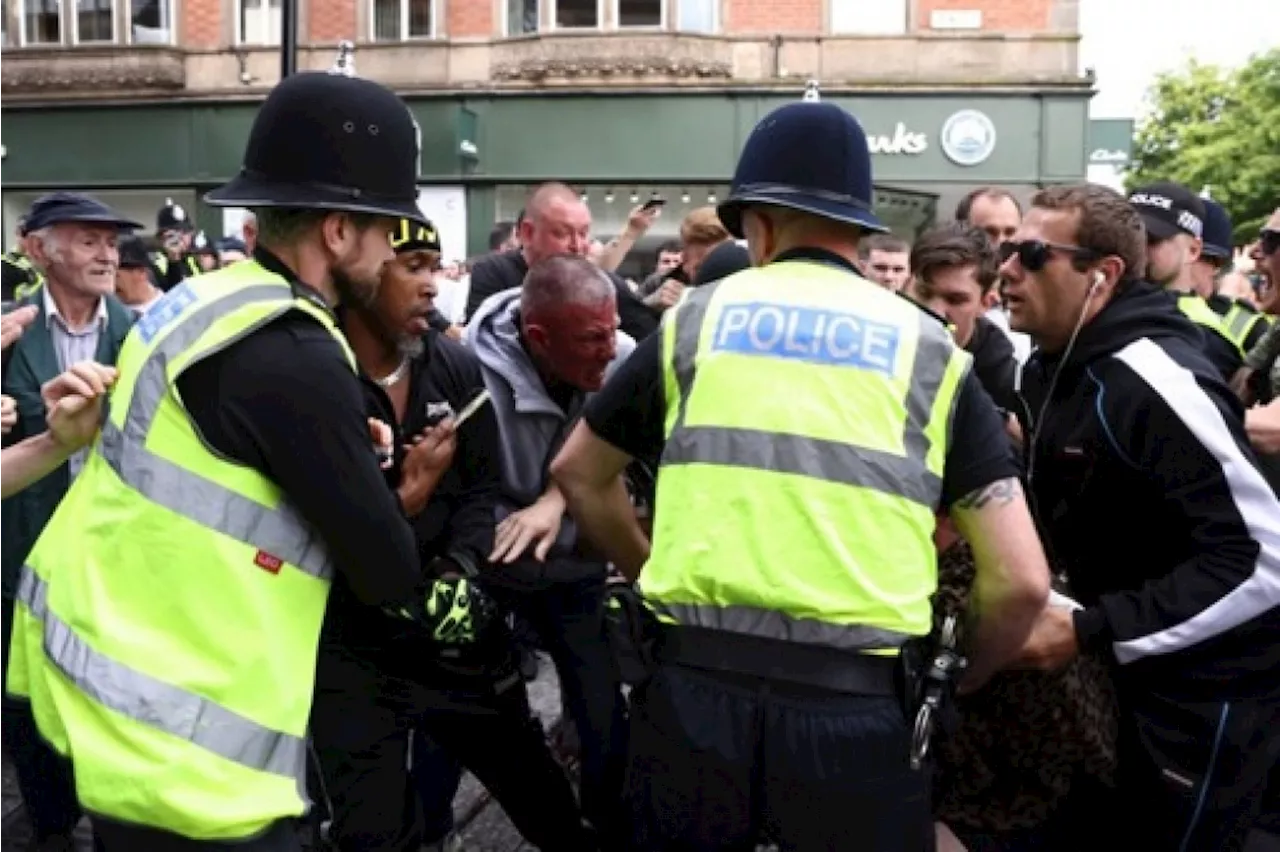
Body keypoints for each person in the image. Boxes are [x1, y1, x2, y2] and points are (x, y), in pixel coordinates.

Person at [549, 95, 1051, 851]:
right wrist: (962, 673)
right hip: (858, 719)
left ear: (756, 222)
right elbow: (1021, 582)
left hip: (692, 700)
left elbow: (579, 474)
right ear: (858, 230)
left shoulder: (694, 321)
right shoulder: (931, 353)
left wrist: (647, 569)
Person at [5, 69, 482, 851]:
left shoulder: (205, 303)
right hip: (199, 756)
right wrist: (411, 485)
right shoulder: (293, 351)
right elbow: (388, 572)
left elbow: (221, 460)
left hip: (125, 697)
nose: (391, 249)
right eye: (384, 229)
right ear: (336, 230)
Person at [1003, 183, 1280, 851]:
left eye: (1033, 254)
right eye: (1008, 251)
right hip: (1121, 682)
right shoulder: (1047, 366)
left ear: (1104, 276)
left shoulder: (1153, 378)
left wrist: (1093, 629)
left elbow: (1264, 560)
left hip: (1204, 699)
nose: (1005, 269)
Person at [312, 215, 593, 852]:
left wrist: (458, 569)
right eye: (411, 267)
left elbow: (479, 487)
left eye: (433, 267)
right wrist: (402, 498)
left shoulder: (456, 366)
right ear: (361, 274)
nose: (431, 286)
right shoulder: (319, 376)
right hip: (352, 640)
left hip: (453, 631)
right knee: (372, 826)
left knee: (541, 798)